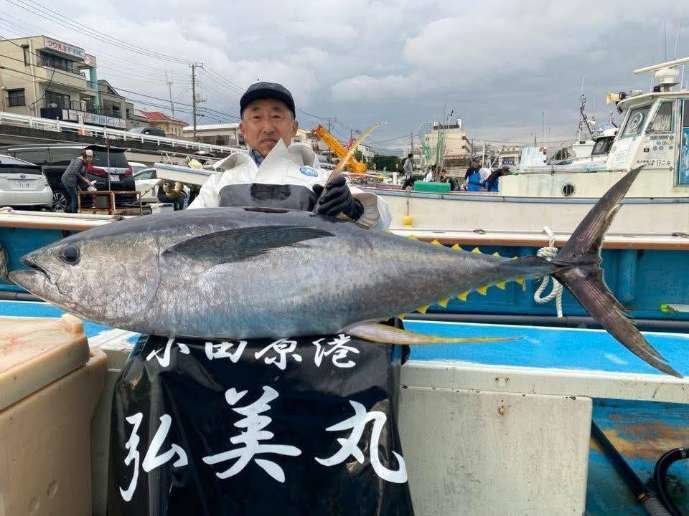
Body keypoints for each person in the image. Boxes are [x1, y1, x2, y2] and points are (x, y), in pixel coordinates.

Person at [189, 82, 390, 229]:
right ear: (243, 130)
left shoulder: (320, 179)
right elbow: (189, 228)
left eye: (276, 116)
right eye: (256, 117)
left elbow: (382, 221)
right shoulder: (219, 182)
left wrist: (355, 207)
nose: (268, 127)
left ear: (294, 127)